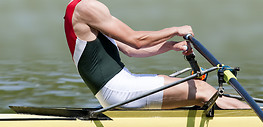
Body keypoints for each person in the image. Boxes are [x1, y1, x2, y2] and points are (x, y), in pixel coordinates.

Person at [64, 0, 248, 109]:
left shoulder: (80, 9)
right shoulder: (87, 7)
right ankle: (256, 121)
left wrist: (172, 45)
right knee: (202, 90)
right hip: (119, 90)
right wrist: (175, 29)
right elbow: (136, 40)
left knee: (190, 87)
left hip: (116, 90)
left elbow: (132, 50)